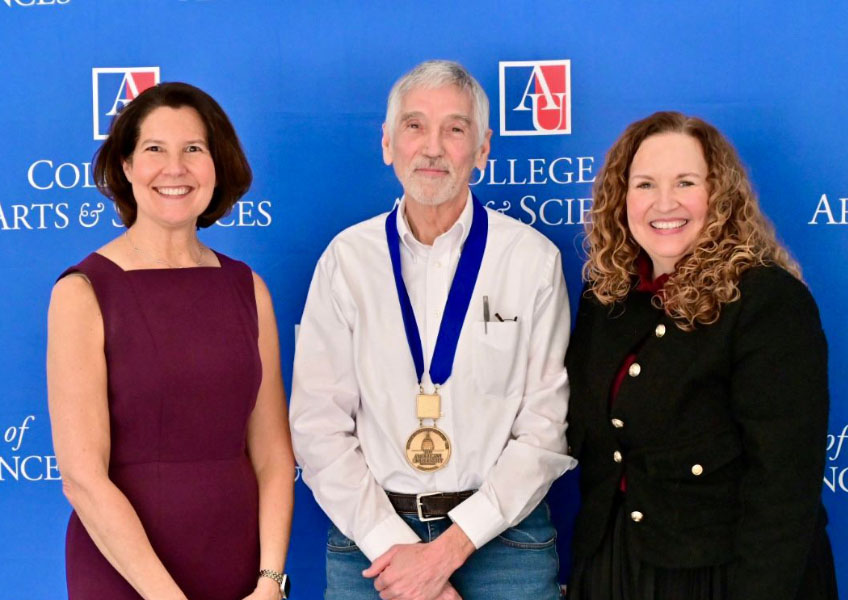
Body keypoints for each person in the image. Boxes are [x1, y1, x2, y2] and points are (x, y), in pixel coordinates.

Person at [290, 60, 576, 600]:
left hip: (504, 543)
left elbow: (545, 427)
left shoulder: (531, 260)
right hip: (370, 547)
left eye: (455, 129)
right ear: (388, 143)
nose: (432, 147)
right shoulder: (346, 261)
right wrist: (393, 549)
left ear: (483, 147)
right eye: (415, 125)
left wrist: (446, 553)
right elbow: (317, 424)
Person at [566, 111, 838, 600]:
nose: (663, 203)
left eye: (685, 182)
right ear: (620, 197)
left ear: (720, 196)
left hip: (724, 573)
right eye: (645, 184)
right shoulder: (604, 299)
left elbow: (783, 490)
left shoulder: (767, 302)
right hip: (615, 565)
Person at [47, 82, 295, 600]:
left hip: (240, 569)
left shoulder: (248, 288)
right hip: (123, 574)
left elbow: (272, 452)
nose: (174, 168)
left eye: (194, 150)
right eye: (154, 149)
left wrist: (270, 581)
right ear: (127, 166)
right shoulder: (83, 292)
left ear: (217, 165)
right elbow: (82, 479)